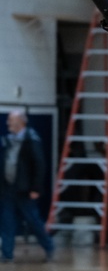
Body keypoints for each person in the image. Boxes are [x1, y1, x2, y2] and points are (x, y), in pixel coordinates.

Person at [1, 109, 55, 262]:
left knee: (33, 220)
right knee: (6, 222)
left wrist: (36, 188)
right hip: (7, 187)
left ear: (21, 122)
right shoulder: (7, 140)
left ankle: (49, 246)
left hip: (24, 189)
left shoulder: (32, 139)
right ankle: (7, 254)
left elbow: (39, 165)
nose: (8, 123)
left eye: (11, 120)